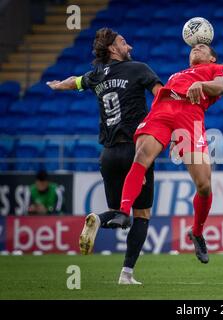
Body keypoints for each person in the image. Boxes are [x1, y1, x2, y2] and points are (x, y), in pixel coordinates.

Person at [47, 27, 163, 285]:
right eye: (123, 42)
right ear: (112, 48)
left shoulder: (96, 75)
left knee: (117, 210)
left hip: (108, 155)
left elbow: (75, 81)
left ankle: (98, 219)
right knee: (141, 214)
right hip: (136, 151)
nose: (129, 46)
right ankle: (126, 274)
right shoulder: (138, 69)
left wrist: (57, 86)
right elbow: (161, 95)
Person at [102, 42, 223, 264]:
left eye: (202, 48)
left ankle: (197, 232)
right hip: (162, 111)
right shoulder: (177, 74)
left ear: (212, 58)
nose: (196, 49)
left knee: (204, 185)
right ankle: (123, 212)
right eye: (193, 48)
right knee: (141, 155)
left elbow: (221, 87)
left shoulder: (218, 69)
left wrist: (200, 84)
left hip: (189, 116)